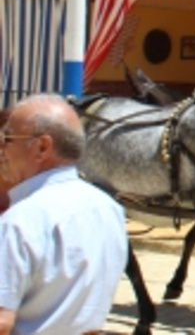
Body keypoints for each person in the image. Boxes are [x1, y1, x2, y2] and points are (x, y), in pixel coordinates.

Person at [0, 94, 128, 334]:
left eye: (7, 138)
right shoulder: (109, 209)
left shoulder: (20, 221)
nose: (2, 150)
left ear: (41, 147)